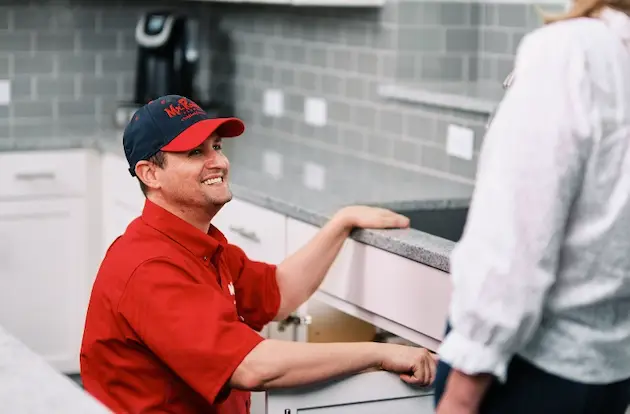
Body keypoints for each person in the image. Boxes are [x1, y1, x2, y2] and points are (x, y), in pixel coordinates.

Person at [80, 95, 437, 414]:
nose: (217, 161)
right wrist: (384, 353)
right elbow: (252, 366)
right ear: (150, 173)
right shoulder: (150, 268)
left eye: (216, 146)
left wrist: (340, 224)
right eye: (195, 153)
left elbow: (278, 292)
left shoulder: (198, 244)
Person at [434, 2, 630, 414]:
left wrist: (462, 395)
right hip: (609, 378)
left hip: (523, 373)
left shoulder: (567, 52)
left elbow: (515, 244)